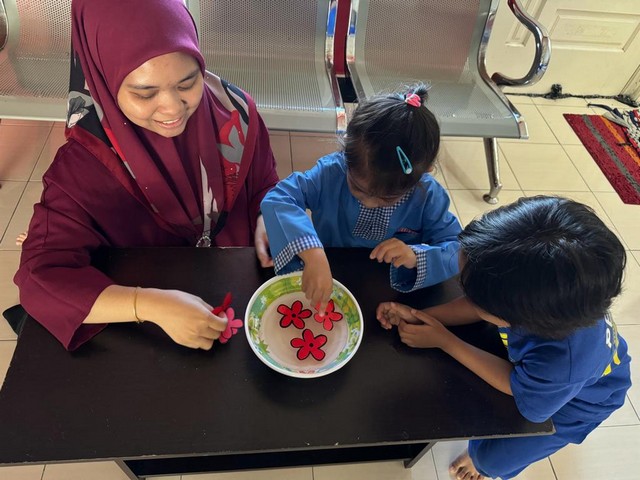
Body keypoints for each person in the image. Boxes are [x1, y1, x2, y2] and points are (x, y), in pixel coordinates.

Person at [13, 0, 279, 351]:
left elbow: (264, 183)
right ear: (104, 81)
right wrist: (148, 305)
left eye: (188, 82)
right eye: (145, 93)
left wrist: (267, 216)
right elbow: (40, 276)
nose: (172, 108)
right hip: (150, 332)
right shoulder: (84, 166)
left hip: (235, 289)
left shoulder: (235, 114)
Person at [376, 196, 631, 480]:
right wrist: (421, 315)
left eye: (469, 290)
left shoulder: (562, 364)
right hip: (553, 370)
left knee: (494, 456)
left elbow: (519, 387)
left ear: (515, 317)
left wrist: (445, 341)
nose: (460, 287)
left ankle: (481, 466)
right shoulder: (536, 294)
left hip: (580, 404)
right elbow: (478, 305)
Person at [260, 84, 461, 309]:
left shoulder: (428, 196)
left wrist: (415, 256)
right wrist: (312, 253)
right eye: (358, 188)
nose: (369, 203)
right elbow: (279, 198)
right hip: (329, 270)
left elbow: (457, 249)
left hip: (388, 295)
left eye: (387, 199)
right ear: (347, 153)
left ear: (425, 172)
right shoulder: (330, 174)